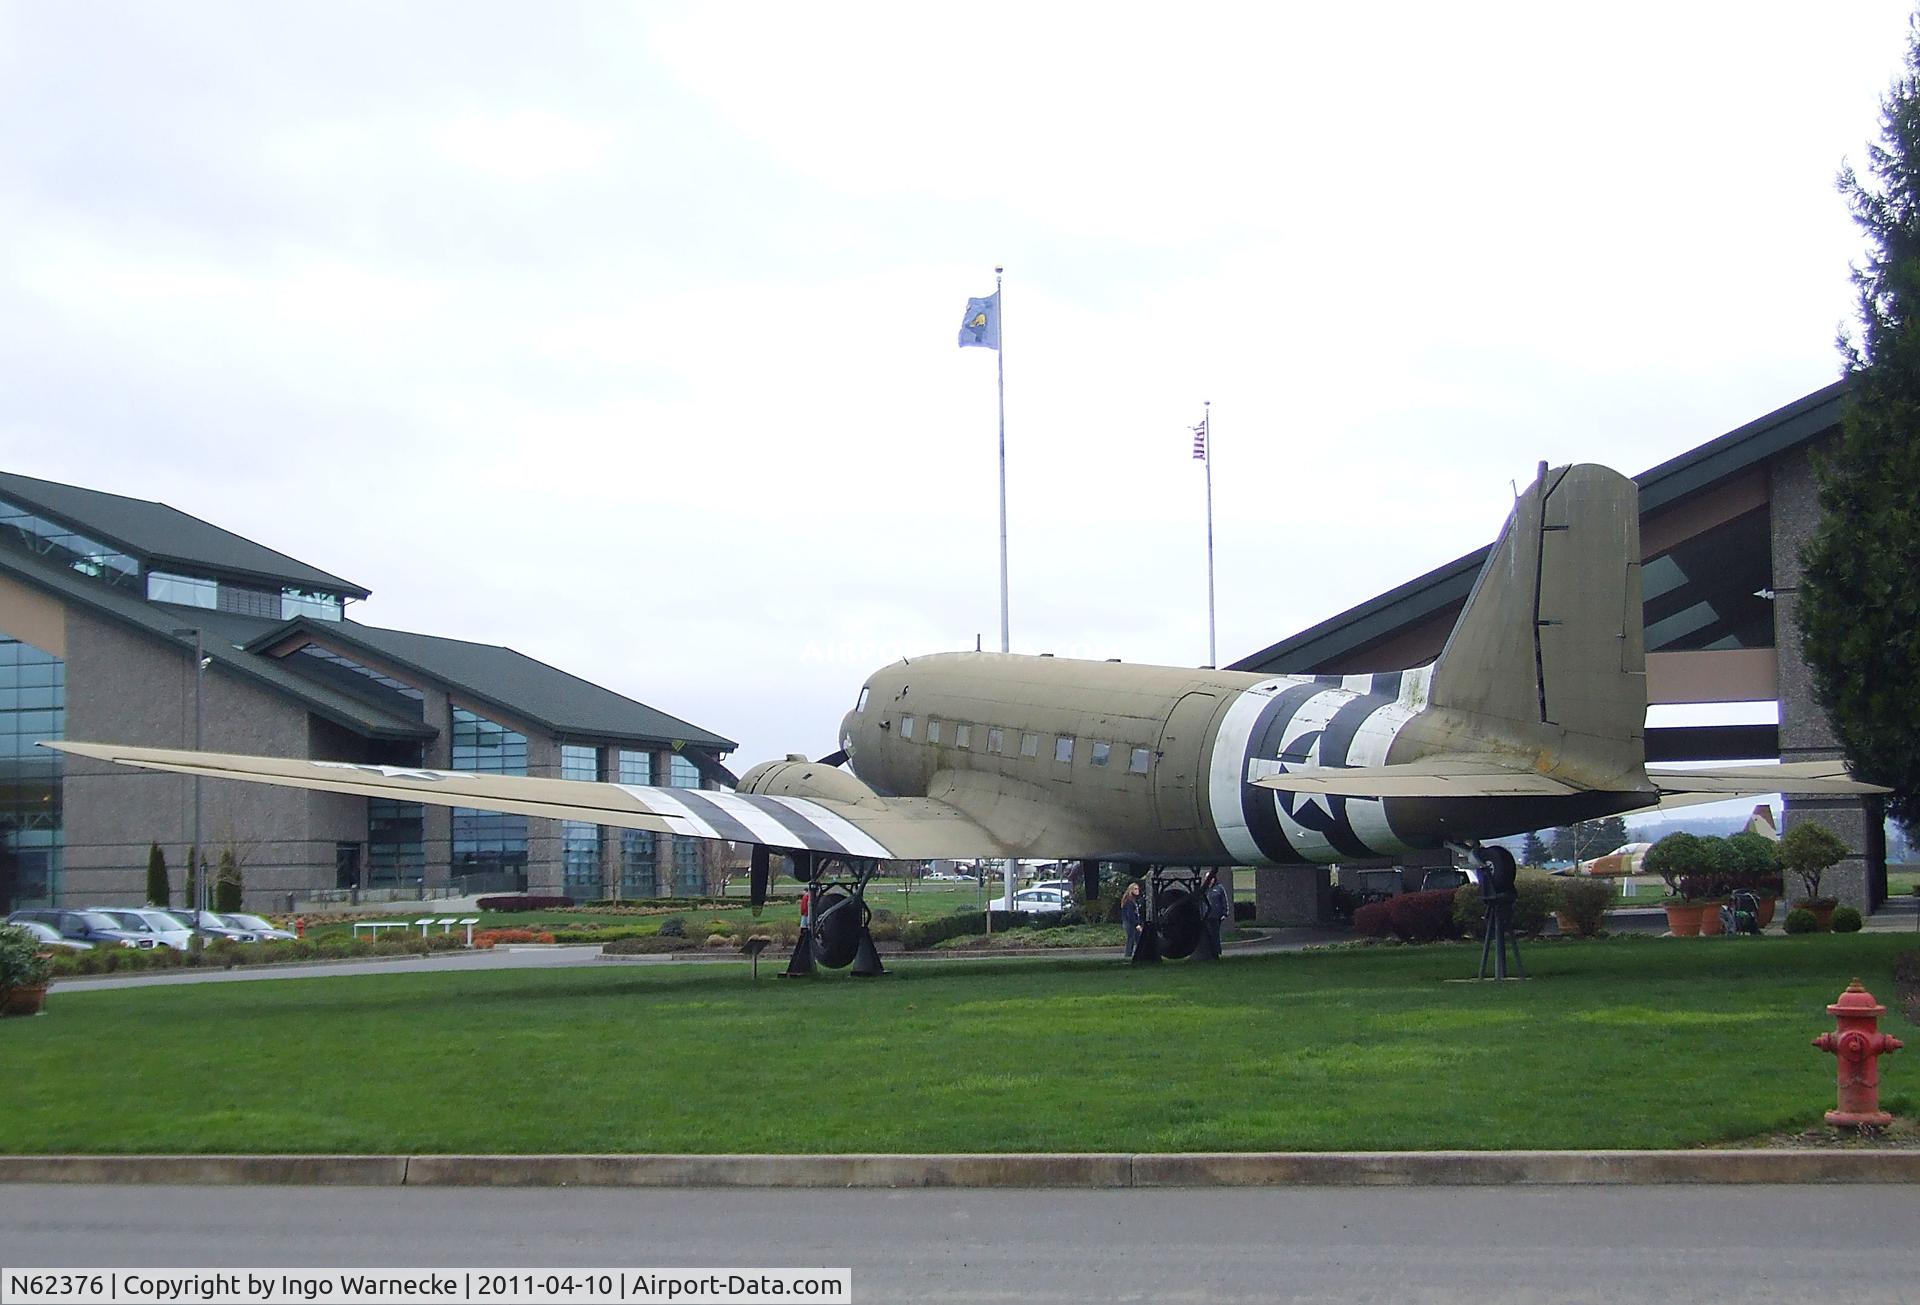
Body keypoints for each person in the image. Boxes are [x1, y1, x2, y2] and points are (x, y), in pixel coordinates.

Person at [1203, 872, 1229, 954]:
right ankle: (1209, 950)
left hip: (1215, 915)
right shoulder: (1204, 889)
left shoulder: (1219, 888)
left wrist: (1225, 913)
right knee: (1207, 934)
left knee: (1215, 934)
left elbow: (1224, 901)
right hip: (1206, 915)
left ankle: (1216, 951)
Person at [1120, 881, 1142, 958]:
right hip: (1129, 923)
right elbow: (1130, 915)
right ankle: (1128, 955)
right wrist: (1136, 924)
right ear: (1131, 890)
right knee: (1131, 939)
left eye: (1138, 889)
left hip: (1131, 922)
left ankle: (1139, 955)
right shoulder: (1129, 901)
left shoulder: (1133, 900)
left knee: (1138, 939)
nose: (1137, 890)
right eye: (1135, 889)